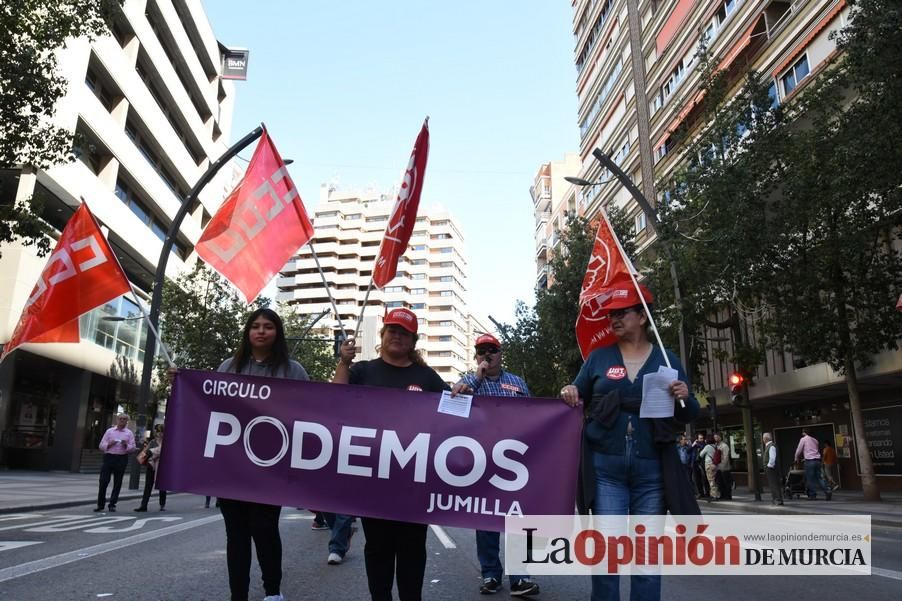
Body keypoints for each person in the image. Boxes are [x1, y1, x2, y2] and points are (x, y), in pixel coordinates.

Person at [560, 284, 699, 601]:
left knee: (647, 562)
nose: (614, 319)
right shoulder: (598, 358)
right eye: (612, 315)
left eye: (622, 313)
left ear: (642, 316)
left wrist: (685, 397)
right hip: (606, 471)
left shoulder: (667, 358)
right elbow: (576, 392)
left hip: (652, 474)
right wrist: (569, 389)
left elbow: (689, 413)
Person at [334, 307, 448, 601]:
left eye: (404, 333)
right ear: (382, 336)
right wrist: (343, 364)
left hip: (414, 482)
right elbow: (334, 402)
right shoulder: (362, 371)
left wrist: (461, 391)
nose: (397, 336)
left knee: (412, 550)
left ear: (413, 341)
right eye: (392, 331)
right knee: (377, 548)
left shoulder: (427, 377)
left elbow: (454, 413)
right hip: (374, 479)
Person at [216, 308, 310, 601]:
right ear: (247, 332)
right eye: (255, 326)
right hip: (231, 468)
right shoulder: (228, 366)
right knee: (237, 536)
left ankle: (272, 591)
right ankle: (238, 594)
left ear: (277, 333)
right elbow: (211, 406)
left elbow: (308, 413)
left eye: (268, 326)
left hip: (271, 468)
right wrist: (180, 383)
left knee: (265, 529)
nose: (260, 331)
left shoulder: (292, 370)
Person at [451, 333, 539, 597]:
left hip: (514, 461)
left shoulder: (517, 382)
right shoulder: (467, 381)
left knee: (517, 519)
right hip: (482, 460)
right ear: (476, 356)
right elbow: (454, 406)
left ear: (501, 354)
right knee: (486, 518)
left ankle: (520, 577)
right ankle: (490, 574)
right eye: (481, 351)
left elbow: (535, 415)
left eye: (492, 350)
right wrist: (476, 378)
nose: (487, 355)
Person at [95, 413, 136, 512]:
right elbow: (101, 445)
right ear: (117, 420)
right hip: (109, 457)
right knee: (103, 481)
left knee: (118, 482)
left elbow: (133, 448)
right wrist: (109, 444)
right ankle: (100, 504)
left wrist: (126, 445)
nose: (122, 421)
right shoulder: (109, 431)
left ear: (127, 421)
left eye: (124, 419)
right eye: (120, 419)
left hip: (121, 458)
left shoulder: (129, 433)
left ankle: (112, 504)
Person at [135, 424, 167, 512]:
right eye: (158, 431)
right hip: (151, 465)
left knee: (162, 486)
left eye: (161, 431)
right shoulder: (152, 441)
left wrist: (152, 453)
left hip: (162, 466)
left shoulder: (168, 441)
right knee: (148, 486)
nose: (159, 433)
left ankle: (162, 504)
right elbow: (145, 452)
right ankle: (143, 505)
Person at [794, 428, 832, 500]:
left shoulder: (803, 439)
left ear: (804, 433)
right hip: (817, 461)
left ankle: (813, 495)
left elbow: (799, 450)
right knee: (820, 477)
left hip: (809, 462)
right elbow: (814, 450)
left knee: (810, 479)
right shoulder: (815, 440)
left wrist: (796, 458)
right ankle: (827, 491)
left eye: (802, 433)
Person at [762, 432, 783, 505]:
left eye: (763, 438)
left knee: (774, 484)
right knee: (772, 484)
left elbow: (772, 458)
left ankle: (778, 500)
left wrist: (769, 466)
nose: (763, 440)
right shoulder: (769, 446)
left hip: (771, 469)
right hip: (771, 468)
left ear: (765, 439)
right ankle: (775, 499)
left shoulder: (771, 446)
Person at [699, 434, 720, 501]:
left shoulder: (707, 446)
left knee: (711, 480)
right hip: (715, 465)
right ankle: (715, 494)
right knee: (714, 480)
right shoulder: (715, 446)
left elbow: (701, 454)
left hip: (709, 465)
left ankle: (714, 496)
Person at [713, 433, 733, 500]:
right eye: (715, 437)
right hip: (718, 467)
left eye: (717, 437)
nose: (715, 439)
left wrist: (722, 466)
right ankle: (722, 495)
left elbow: (726, 457)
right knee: (720, 482)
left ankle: (728, 496)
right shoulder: (716, 446)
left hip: (724, 468)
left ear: (720, 437)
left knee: (726, 482)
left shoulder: (724, 446)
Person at [690, 433, 710, 499]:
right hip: (695, 464)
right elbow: (688, 451)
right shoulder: (694, 445)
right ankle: (700, 493)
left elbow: (702, 448)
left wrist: (698, 444)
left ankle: (707, 493)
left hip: (702, 463)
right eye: (700, 438)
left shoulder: (704, 445)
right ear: (697, 439)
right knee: (696, 479)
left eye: (702, 438)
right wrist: (692, 445)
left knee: (704, 479)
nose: (702, 439)